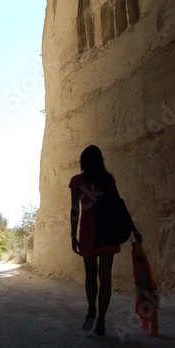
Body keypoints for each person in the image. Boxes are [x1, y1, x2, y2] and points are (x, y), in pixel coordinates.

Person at [69, 144, 141, 336]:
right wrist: (133, 230)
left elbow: (75, 210)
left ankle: (91, 308)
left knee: (91, 276)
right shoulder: (107, 179)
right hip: (109, 233)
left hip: (88, 233)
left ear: (83, 162)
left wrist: (72, 234)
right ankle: (101, 320)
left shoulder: (77, 181)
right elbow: (120, 206)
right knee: (106, 278)